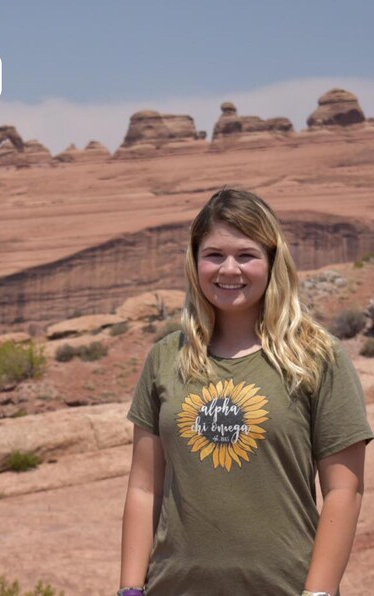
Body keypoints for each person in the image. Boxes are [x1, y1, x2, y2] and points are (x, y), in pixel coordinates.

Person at [119, 188, 372, 596]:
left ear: (273, 262)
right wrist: (130, 589)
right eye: (214, 255)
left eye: (246, 255)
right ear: (195, 261)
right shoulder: (167, 357)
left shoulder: (317, 355)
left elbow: (345, 491)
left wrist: (318, 593)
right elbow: (144, 487)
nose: (229, 269)